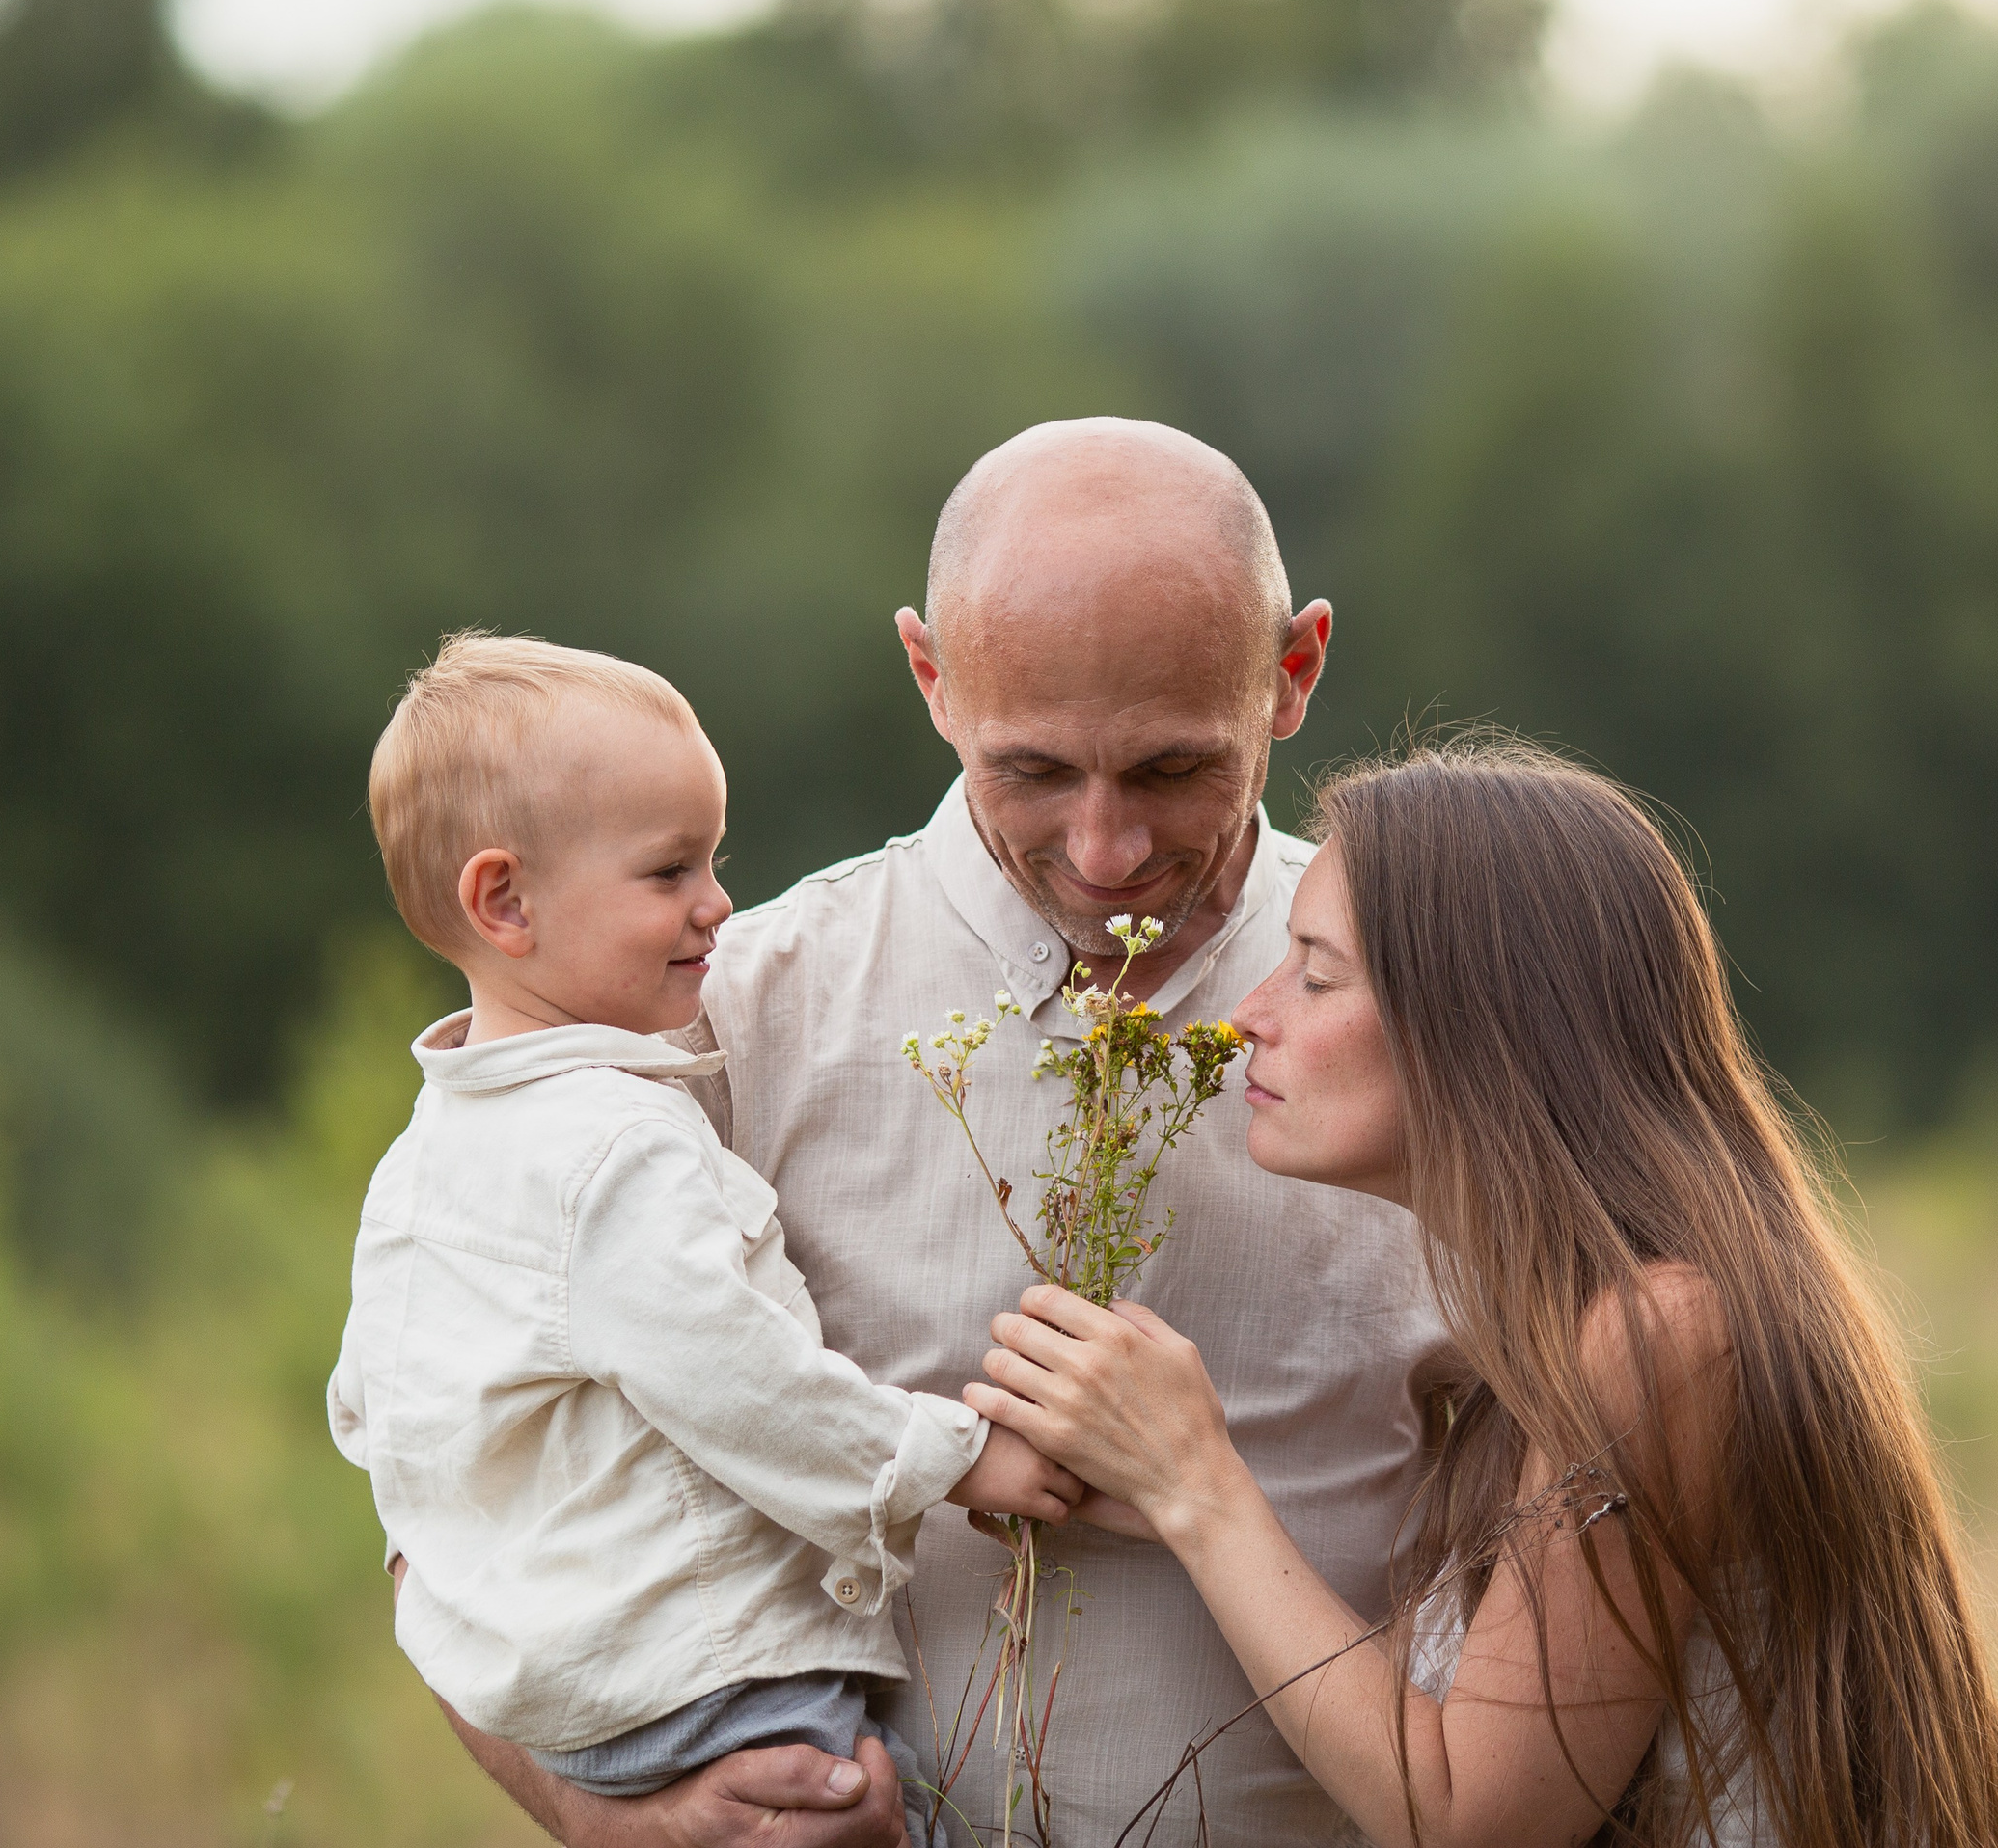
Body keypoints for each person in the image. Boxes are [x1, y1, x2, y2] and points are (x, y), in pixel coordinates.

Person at [436, 421, 1453, 1846]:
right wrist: (618, 1825)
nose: (1105, 851)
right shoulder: (719, 1019)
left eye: (1171, 770)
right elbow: (456, 1486)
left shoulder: (1442, 1014)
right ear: (931, 678)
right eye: (1034, 772)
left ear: (1294, 673)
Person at [971, 740, 1998, 1848]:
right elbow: (1439, 1722)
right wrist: (1154, 1490)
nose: (1250, 1014)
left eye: (1315, 972)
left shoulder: (1658, 1338)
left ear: (1477, 1022)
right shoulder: (1551, 1345)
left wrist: (1201, 1488)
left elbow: (1475, 1819)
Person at [330, 635, 1083, 1848]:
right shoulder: (615, 1144)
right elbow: (744, 1382)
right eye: (669, 870)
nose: (717, 902)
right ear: (505, 902)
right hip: (717, 1681)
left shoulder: (422, 1164)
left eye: (712, 859)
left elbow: (375, 1421)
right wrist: (952, 1460)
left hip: (573, 1706)